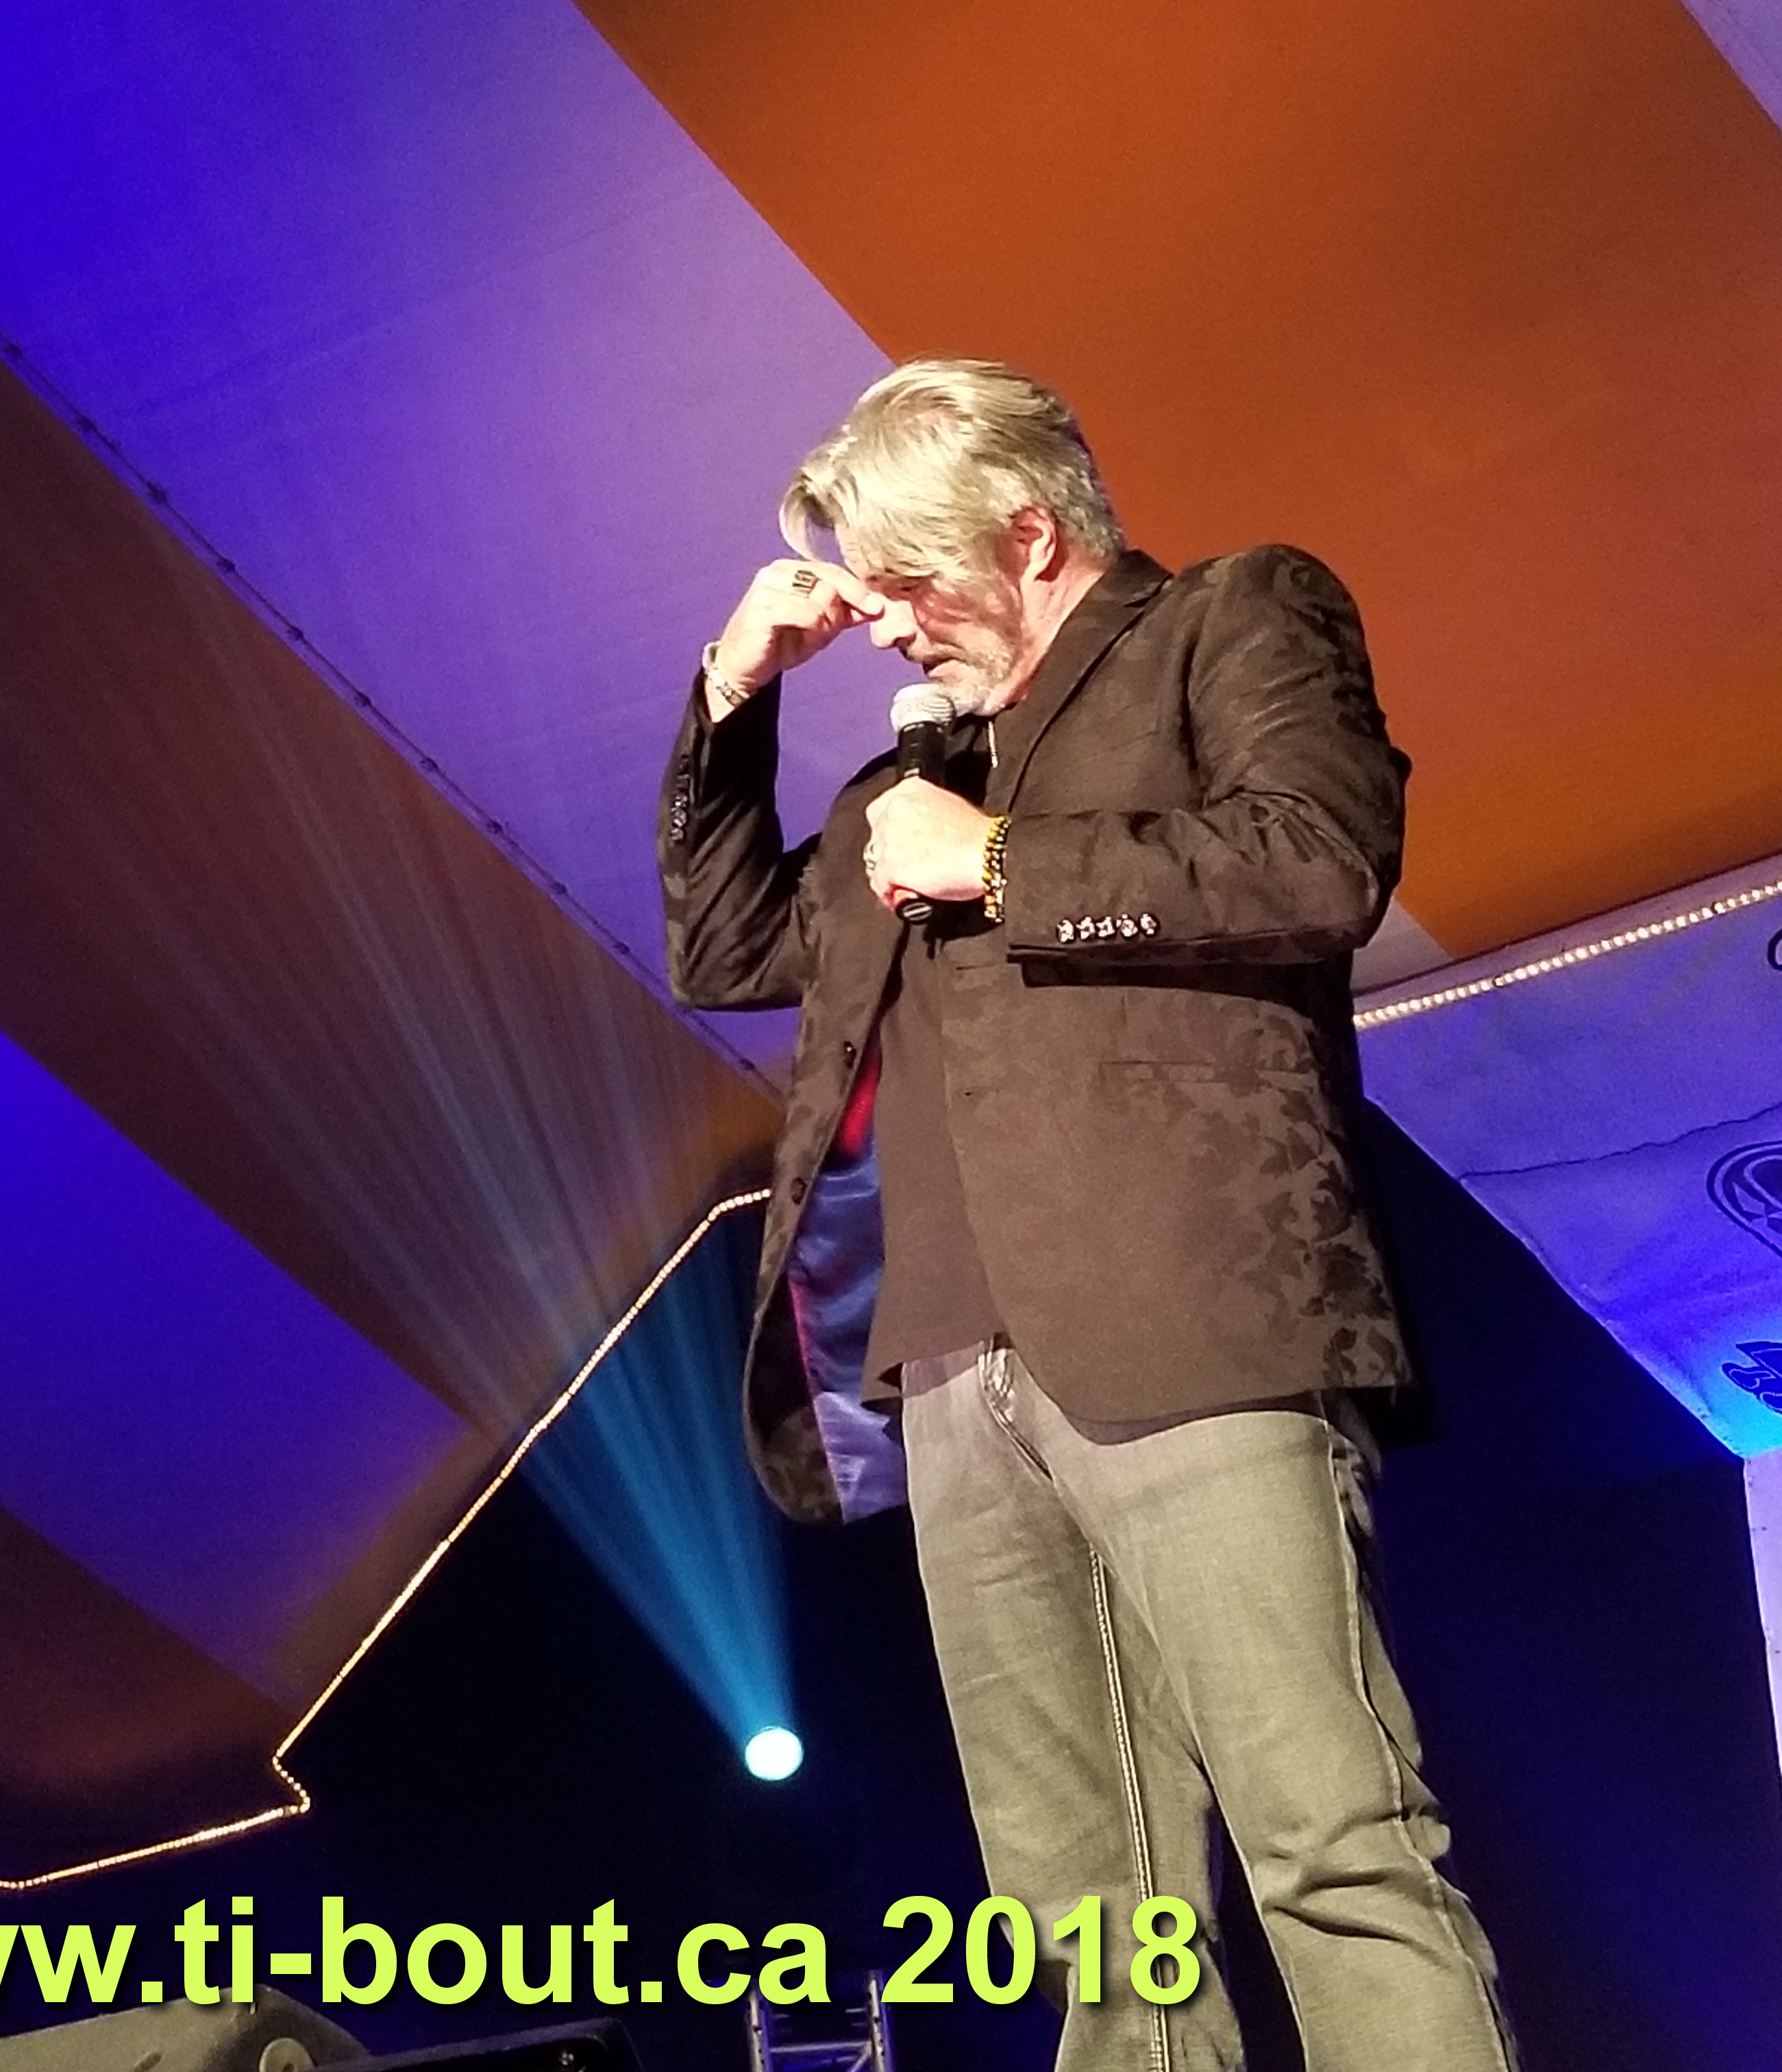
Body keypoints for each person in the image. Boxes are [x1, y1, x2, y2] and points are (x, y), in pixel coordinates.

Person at [658, 360, 1518, 2069]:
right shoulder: (899, 791)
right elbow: (728, 946)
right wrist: (731, 693)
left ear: (1030, 534)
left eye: (911, 579)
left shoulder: (1227, 620)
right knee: (1095, 1923)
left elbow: (1319, 861)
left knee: (1331, 1842)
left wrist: (999, 866)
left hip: (1192, 1314)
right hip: (954, 1373)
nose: (890, 624)